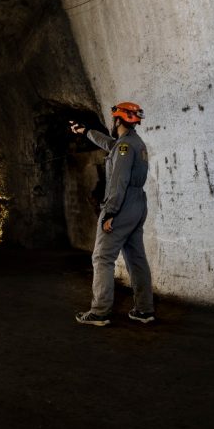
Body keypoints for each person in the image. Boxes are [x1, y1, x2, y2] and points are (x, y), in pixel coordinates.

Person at [69, 102, 155, 326]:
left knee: (102, 257)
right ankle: (144, 310)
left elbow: (118, 182)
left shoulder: (125, 147)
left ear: (118, 120)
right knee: (136, 259)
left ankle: (99, 312)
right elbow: (111, 145)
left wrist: (110, 213)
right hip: (138, 205)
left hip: (122, 204)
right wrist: (85, 131)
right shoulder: (133, 143)